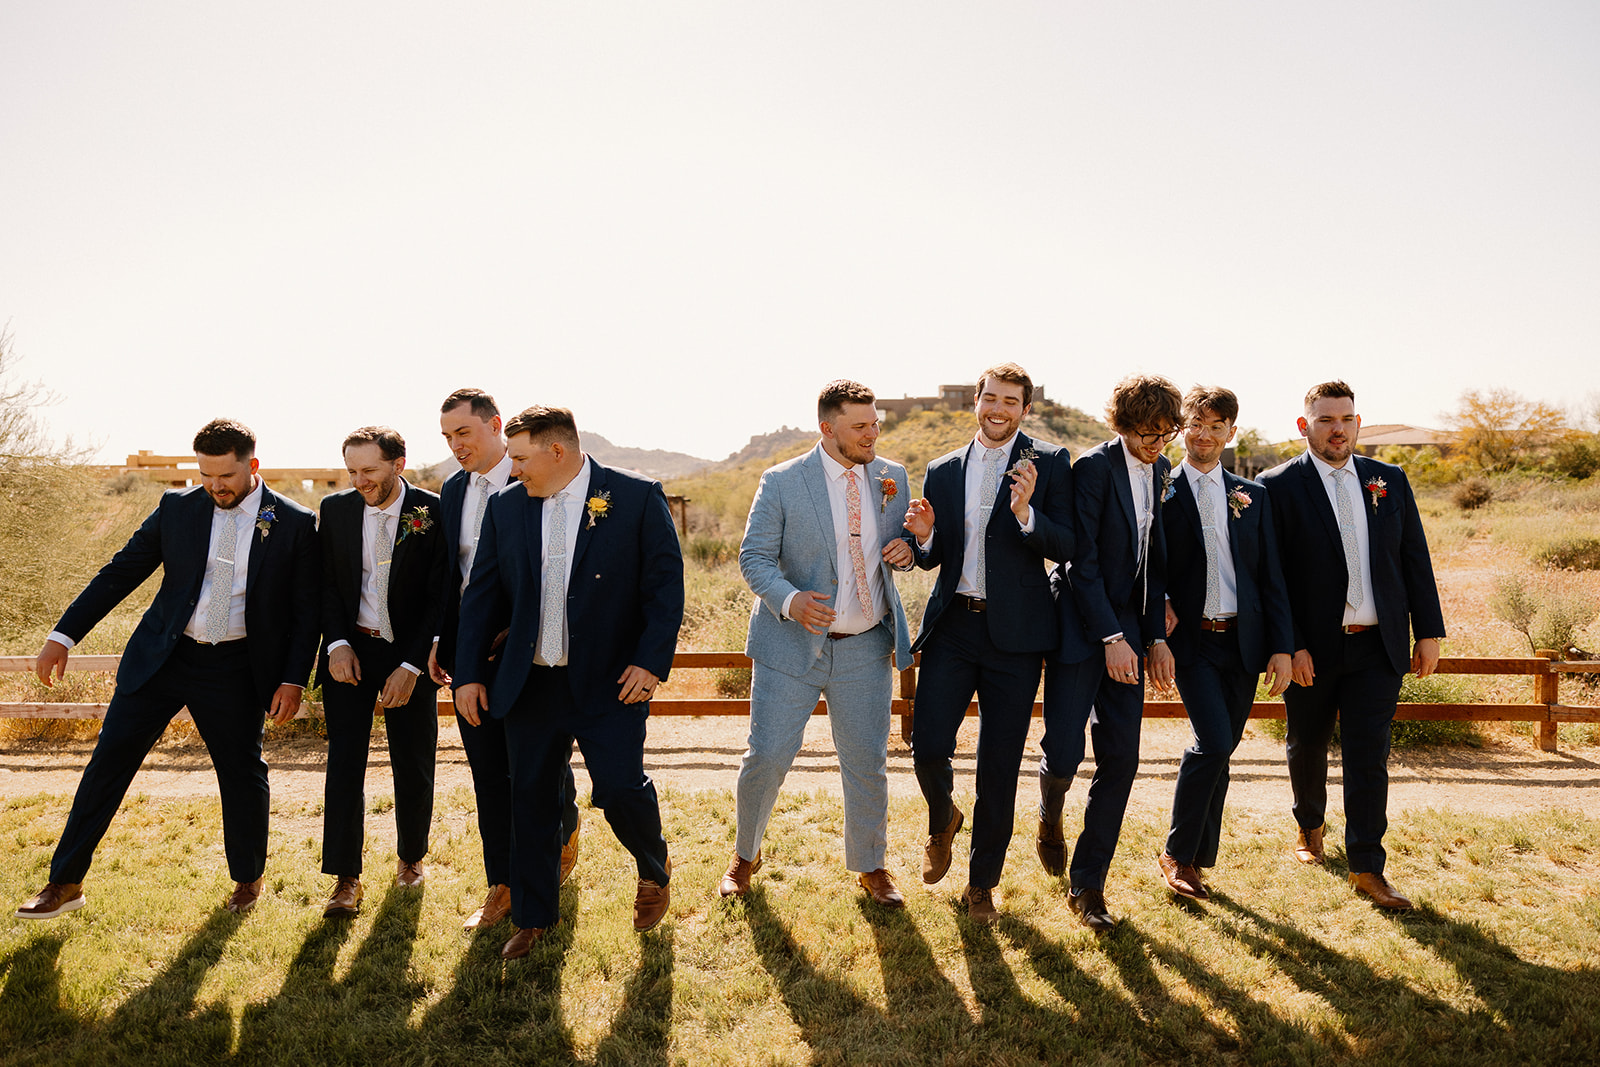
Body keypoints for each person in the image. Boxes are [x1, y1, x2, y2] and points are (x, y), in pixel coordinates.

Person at [17, 419, 319, 920]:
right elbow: (121, 571)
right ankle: (65, 883)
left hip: (236, 665)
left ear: (253, 466)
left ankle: (247, 880)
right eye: (206, 475)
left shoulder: (295, 521)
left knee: (242, 774)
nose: (215, 486)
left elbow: (307, 611)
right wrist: (63, 634)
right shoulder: (177, 508)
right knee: (107, 763)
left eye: (225, 476)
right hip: (163, 657)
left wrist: (292, 678)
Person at [454, 405, 682, 960]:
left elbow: (664, 588)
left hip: (612, 681)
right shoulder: (506, 507)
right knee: (529, 798)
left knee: (619, 789)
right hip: (528, 683)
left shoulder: (634, 496)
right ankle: (534, 918)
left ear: (557, 451)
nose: (514, 470)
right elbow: (482, 594)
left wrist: (650, 663)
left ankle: (654, 867)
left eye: (522, 458)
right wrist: (467, 676)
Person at [721, 380, 916, 906]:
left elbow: (904, 547)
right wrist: (790, 600)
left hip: (866, 647)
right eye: (861, 426)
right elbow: (754, 558)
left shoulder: (892, 476)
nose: (873, 433)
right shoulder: (782, 481)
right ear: (828, 429)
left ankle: (871, 865)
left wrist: (910, 548)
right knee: (766, 755)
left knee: (867, 761)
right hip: (790, 647)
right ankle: (745, 853)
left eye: (876, 423)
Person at [1259, 380, 1444, 910]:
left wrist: (1428, 631)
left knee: (1369, 757)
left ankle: (1367, 867)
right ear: (1304, 426)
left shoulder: (1388, 479)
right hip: (1311, 650)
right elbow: (1273, 576)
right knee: (1307, 743)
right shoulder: (1276, 485)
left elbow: (1414, 558)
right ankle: (1309, 827)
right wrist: (1290, 644)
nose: (1336, 429)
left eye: (1345, 419)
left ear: (1358, 423)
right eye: (1325, 420)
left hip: (1377, 647)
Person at [903, 363, 1074, 924]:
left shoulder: (1050, 462)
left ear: (1026, 408)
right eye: (990, 398)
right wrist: (925, 538)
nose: (999, 409)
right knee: (927, 744)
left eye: (1011, 401)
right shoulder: (943, 469)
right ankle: (943, 817)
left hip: (1017, 640)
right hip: (954, 627)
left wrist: (1028, 516)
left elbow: (1068, 542)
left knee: (998, 768)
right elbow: (936, 555)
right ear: (975, 401)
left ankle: (981, 885)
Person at [429, 388, 582, 932]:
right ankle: (502, 884)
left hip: (532, 647)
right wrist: (443, 644)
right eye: (447, 437)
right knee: (488, 773)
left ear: (495, 426)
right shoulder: (451, 491)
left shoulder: (538, 480)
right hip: (470, 652)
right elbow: (452, 577)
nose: (455, 446)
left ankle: (561, 835)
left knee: (539, 766)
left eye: (463, 433)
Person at [1040, 373, 1182, 932]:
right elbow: (1082, 562)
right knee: (1065, 753)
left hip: (1128, 627)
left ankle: (1088, 885)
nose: (1156, 445)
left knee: (1121, 759)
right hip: (1081, 627)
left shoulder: (1163, 470)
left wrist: (1154, 638)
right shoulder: (1093, 469)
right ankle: (1050, 817)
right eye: (1147, 434)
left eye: (1165, 434)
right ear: (1122, 425)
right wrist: (1110, 638)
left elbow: (1152, 566)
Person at [1157, 386, 1293, 900]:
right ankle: (1177, 853)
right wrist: (1158, 613)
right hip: (1190, 640)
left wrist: (1282, 644)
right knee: (1213, 741)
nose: (1205, 435)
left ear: (1231, 433)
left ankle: (1195, 857)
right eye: (1197, 424)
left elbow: (1270, 575)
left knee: (1224, 748)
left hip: (1244, 640)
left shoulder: (1252, 495)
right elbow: (1147, 562)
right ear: (1182, 428)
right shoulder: (1160, 487)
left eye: (1217, 427)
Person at [316, 426, 448, 917]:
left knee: (413, 760)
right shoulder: (336, 510)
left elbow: (440, 594)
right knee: (344, 765)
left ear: (398, 463)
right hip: (352, 650)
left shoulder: (432, 511)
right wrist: (338, 644)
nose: (360, 480)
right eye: (351, 471)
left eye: (369, 470)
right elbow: (326, 584)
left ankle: (411, 858)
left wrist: (413, 665)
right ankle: (345, 878)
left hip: (408, 653)